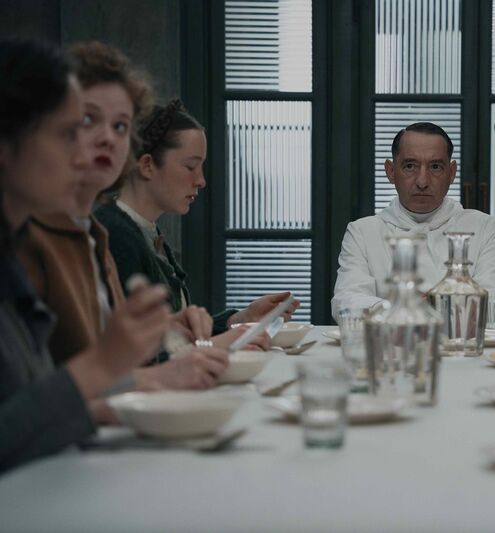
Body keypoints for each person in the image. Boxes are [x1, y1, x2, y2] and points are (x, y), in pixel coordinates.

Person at [15, 41, 230, 390]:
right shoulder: (40, 236)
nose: (107, 138)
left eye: (120, 127)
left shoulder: (93, 233)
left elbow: (110, 357)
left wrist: (168, 330)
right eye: (86, 120)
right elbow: (46, 391)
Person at [0, 38, 170, 472]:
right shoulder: (32, 242)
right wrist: (106, 365)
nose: (84, 153)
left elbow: (32, 400)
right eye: (69, 131)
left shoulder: (91, 232)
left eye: (118, 127)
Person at [94, 99, 297, 348]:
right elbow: (135, 355)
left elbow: (174, 333)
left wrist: (241, 318)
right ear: (147, 165)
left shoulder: (144, 230)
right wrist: (221, 344)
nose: (201, 180)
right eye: (191, 166)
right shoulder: (115, 236)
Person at [332, 122, 495, 317]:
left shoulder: (484, 228)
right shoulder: (362, 232)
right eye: (410, 166)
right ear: (390, 171)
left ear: (451, 173)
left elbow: (493, 305)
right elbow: (346, 303)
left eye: (435, 167)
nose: (422, 181)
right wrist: (412, 309)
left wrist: (401, 309)